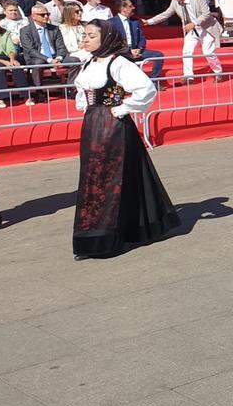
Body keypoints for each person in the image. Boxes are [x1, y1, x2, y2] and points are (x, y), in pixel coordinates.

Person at [71, 21, 180, 259]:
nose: (86, 39)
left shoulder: (117, 63)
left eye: (91, 35)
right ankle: (94, 234)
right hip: (92, 124)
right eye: (84, 35)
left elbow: (146, 89)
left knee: (110, 179)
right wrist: (85, 105)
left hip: (112, 125)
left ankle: (107, 236)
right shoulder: (89, 62)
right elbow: (83, 92)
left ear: (106, 38)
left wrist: (122, 108)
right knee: (93, 177)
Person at [144, 0, 224, 83]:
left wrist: (194, 23)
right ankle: (188, 76)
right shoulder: (175, 2)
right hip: (190, 31)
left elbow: (206, 14)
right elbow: (166, 14)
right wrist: (149, 21)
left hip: (206, 28)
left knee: (208, 52)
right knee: (186, 52)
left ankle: (218, 73)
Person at [110, 0, 164, 80]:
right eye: (130, 6)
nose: (133, 8)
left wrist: (139, 48)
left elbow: (142, 38)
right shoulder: (111, 23)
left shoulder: (134, 21)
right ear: (123, 9)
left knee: (158, 55)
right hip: (121, 53)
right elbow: (112, 43)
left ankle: (153, 80)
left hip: (136, 50)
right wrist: (127, 51)